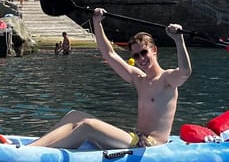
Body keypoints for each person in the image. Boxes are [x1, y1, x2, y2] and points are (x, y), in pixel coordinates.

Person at [29, 8, 192, 149]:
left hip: (151, 144)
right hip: (135, 137)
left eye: (144, 52)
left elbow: (185, 71)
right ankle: (31, 148)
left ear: (154, 50)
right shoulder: (138, 78)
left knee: (87, 125)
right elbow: (109, 54)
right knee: (74, 115)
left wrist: (179, 40)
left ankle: (38, 154)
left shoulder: (167, 79)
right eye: (136, 55)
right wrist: (97, 23)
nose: (141, 58)